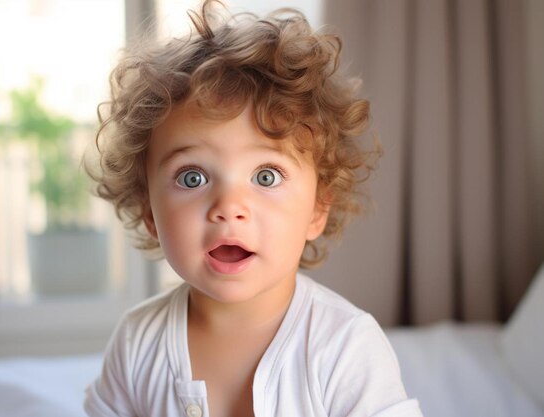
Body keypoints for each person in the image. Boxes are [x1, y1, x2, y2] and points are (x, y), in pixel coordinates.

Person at [84, 1, 423, 416]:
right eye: (192, 177)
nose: (229, 208)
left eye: (266, 176)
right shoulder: (138, 344)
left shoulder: (345, 347)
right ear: (150, 212)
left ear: (317, 210)